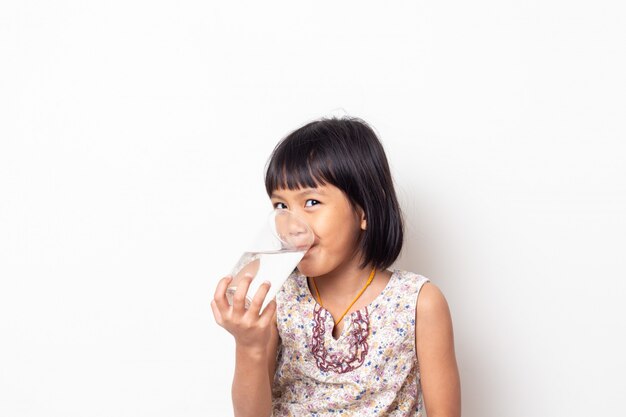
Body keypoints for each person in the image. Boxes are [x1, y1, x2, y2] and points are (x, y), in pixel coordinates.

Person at [211, 116, 461, 417]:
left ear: (365, 211)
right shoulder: (279, 296)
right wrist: (248, 346)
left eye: (312, 202)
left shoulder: (418, 302)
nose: (292, 225)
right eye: (281, 206)